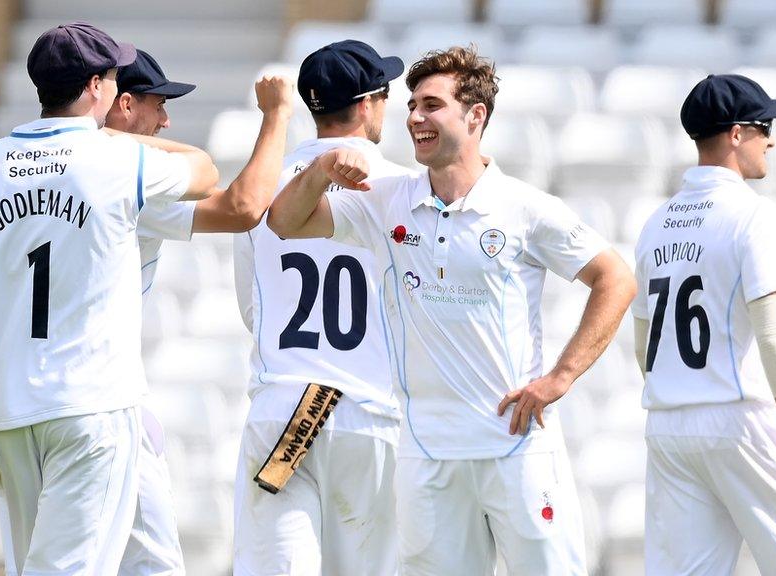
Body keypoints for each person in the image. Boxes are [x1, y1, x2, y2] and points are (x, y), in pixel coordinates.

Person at [0, 22, 219, 575]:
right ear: (98, 87)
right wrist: (125, 138)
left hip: (10, 415)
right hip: (92, 408)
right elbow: (205, 170)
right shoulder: (115, 159)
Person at [267, 45, 636, 576]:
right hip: (426, 455)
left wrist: (560, 377)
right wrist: (322, 167)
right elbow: (284, 221)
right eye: (412, 104)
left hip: (514, 450)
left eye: (432, 105)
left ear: (475, 115)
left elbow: (615, 278)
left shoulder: (524, 207)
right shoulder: (386, 198)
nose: (415, 117)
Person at [631, 74, 776, 575]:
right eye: (764, 126)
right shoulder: (753, 216)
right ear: (735, 134)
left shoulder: (655, 222)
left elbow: (644, 346)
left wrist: (682, 394)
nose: (771, 139)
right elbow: (773, 335)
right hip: (737, 418)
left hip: (668, 425)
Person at [104, 48, 293, 576]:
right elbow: (240, 205)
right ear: (122, 105)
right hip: (105, 406)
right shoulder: (124, 183)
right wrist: (277, 116)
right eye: (157, 104)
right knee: (155, 567)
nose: (166, 119)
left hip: (24, 403)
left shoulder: (18, 171)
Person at [230, 40, 413, 576]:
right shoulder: (402, 186)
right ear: (365, 105)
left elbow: (253, 310)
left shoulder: (262, 187)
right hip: (370, 411)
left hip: (284, 407)